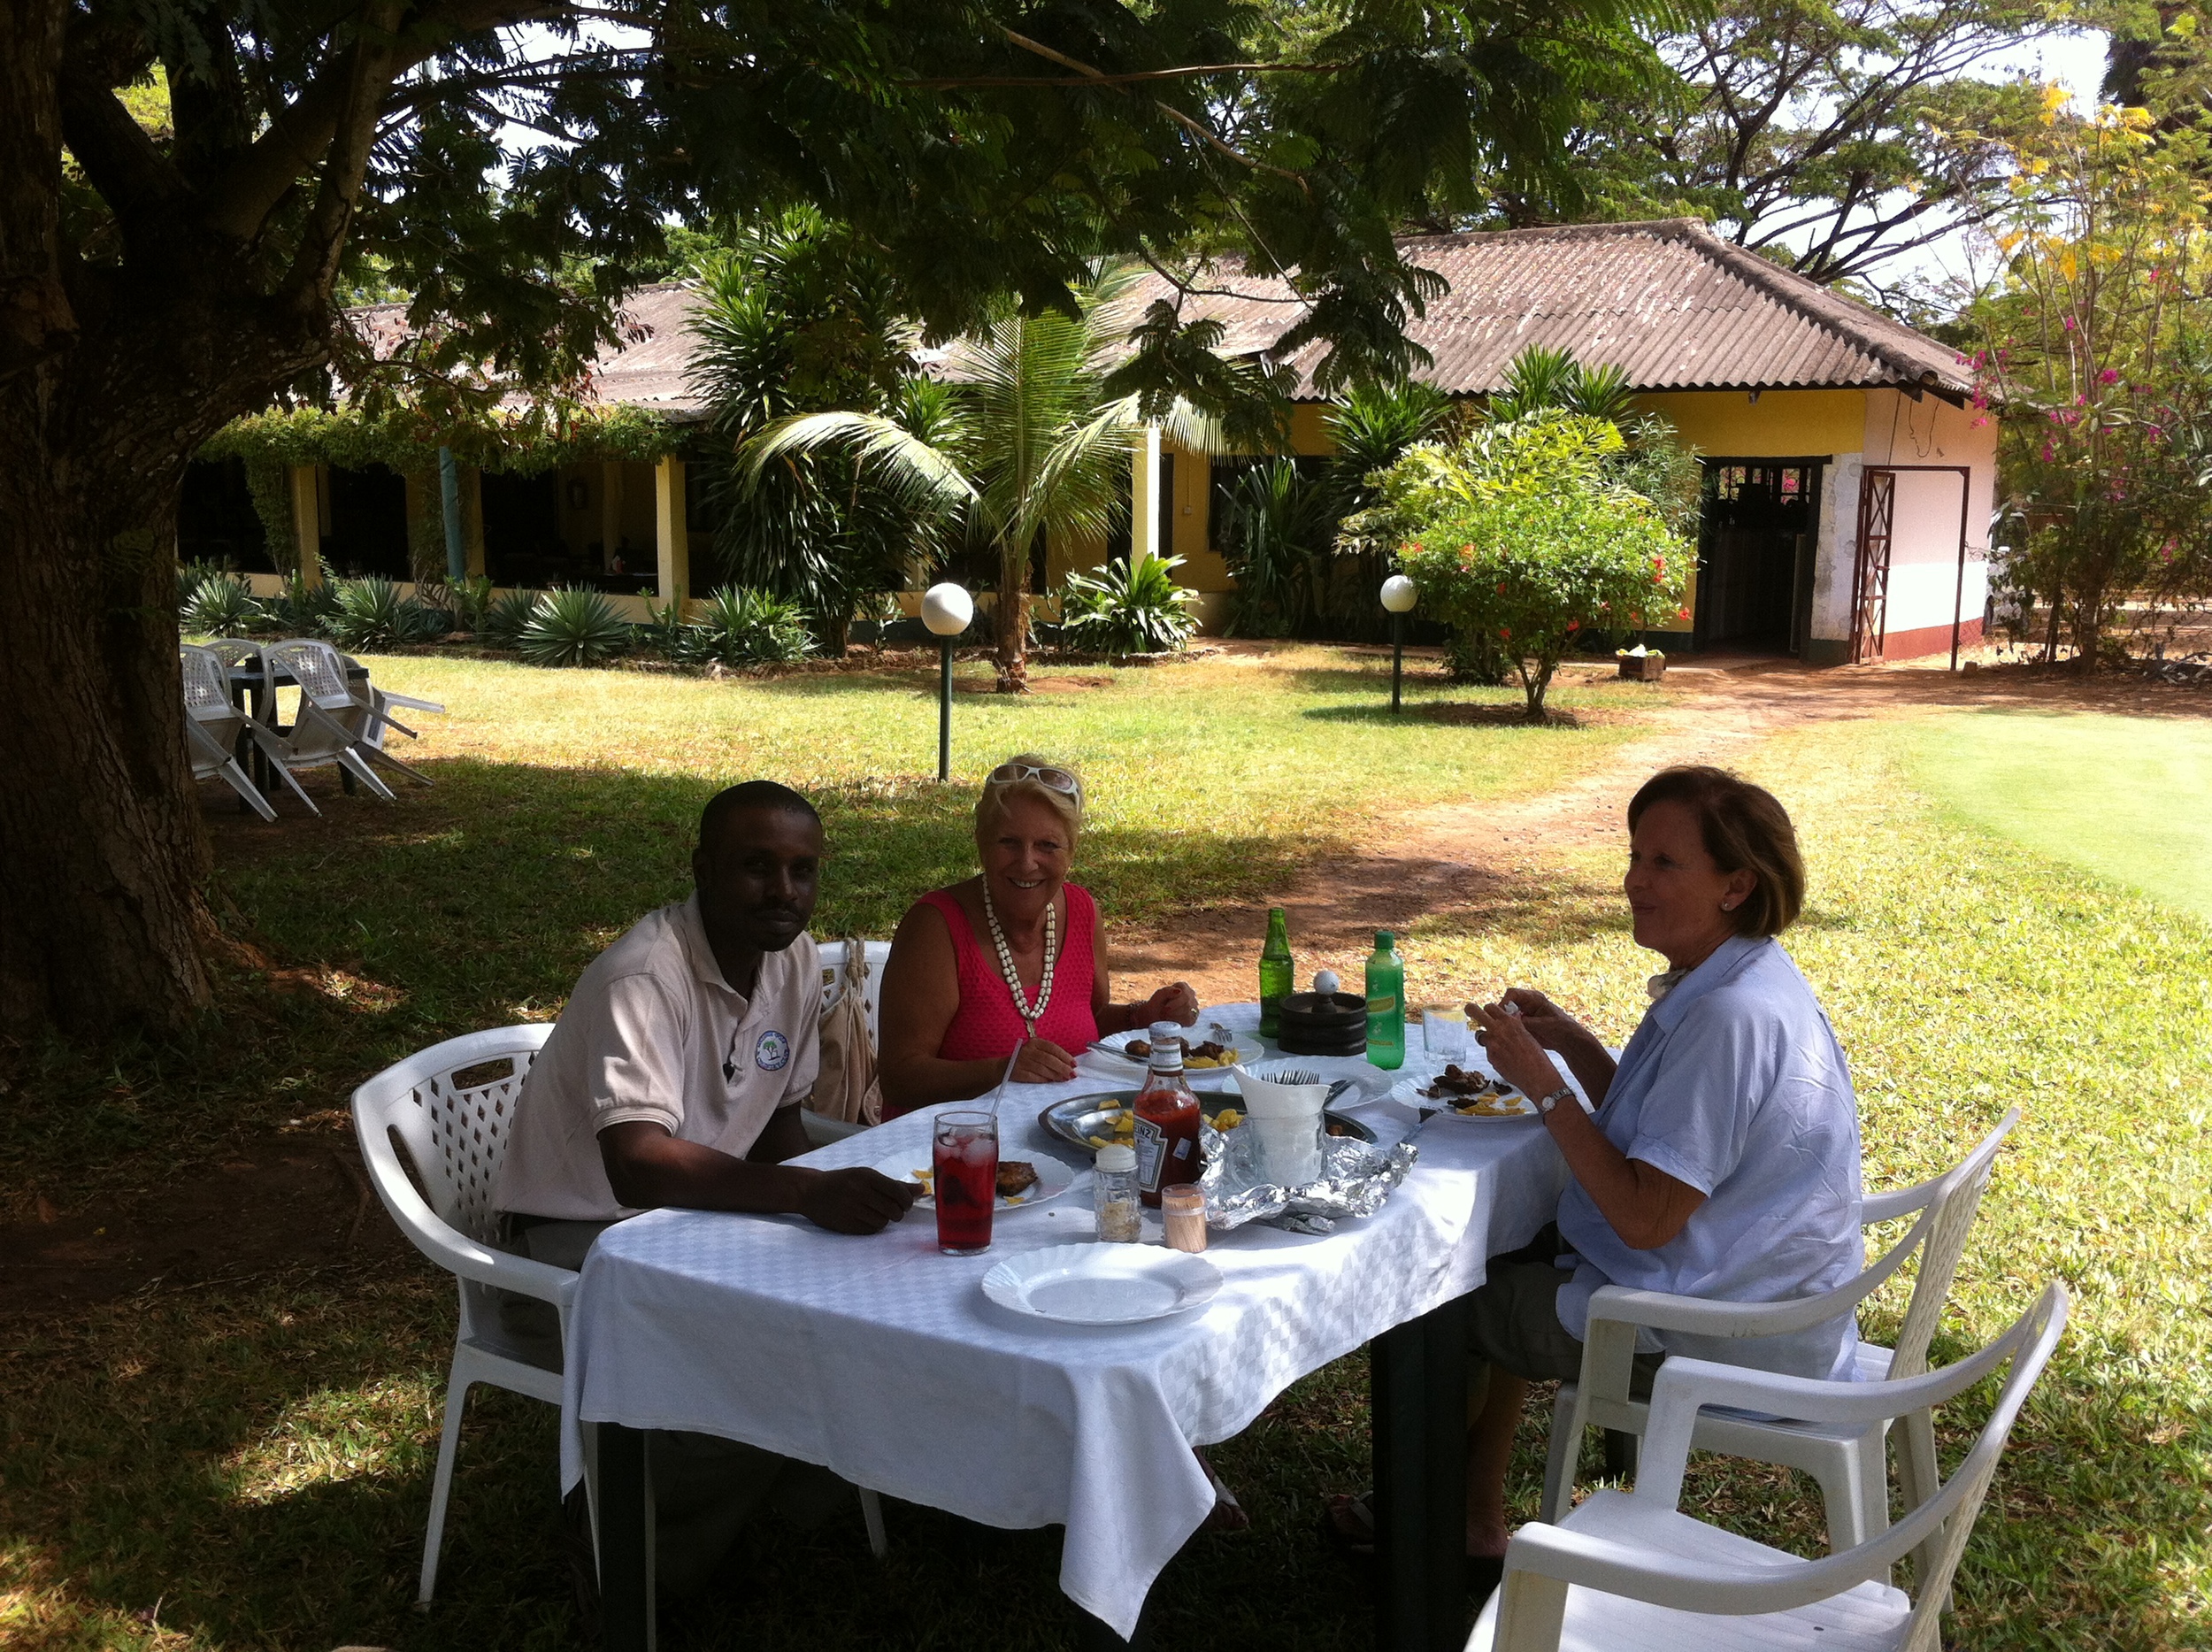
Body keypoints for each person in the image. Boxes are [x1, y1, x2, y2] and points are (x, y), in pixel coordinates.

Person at [1328, 765, 1863, 1594]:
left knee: (1429, 1296)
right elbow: (1674, 1145)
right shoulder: (1741, 973)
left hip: (1713, 1335)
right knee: (1520, 1241)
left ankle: (1418, 1529)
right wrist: (1576, 1045)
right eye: (1635, 854)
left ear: (1736, 885)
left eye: (1664, 863)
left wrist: (1543, 1083)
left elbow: (1648, 1214)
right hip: (1768, 1297)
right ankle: (1471, 1507)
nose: (1634, 880)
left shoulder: (1728, 1016)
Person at [493, 779, 918, 1597]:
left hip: (694, 1218)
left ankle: (765, 1513)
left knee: (869, 1309)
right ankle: (631, 1558)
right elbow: (637, 1161)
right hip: (582, 1236)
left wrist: (823, 1213)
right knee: (748, 1360)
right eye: (757, 866)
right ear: (703, 867)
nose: (784, 891)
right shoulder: (644, 977)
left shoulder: (790, 959)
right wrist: (799, 1197)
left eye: (803, 869)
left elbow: (779, 1117)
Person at [877, 754, 1199, 1117]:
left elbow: (1086, 1019)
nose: (1027, 862)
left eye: (1048, 845)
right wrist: (1001, 1070)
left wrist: (1142, 1016)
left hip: (1058, 1133)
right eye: (1009, 842)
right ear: (982, 844)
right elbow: (899, 1077)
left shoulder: (1082, 911)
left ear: (1071, 851)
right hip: (944, 1148)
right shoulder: (935, 927)